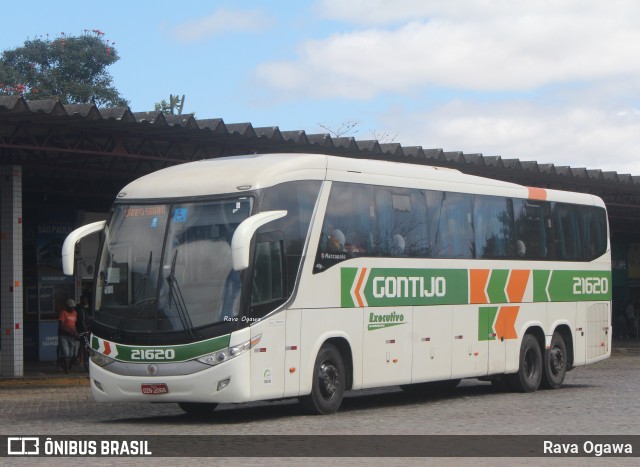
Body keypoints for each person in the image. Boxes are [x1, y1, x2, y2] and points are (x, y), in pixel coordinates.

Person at [58, 298, 79, 374]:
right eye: (71, 307)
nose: (72, 308)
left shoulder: (75, 313)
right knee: (66, 353)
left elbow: (74, 325)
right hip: (63, 336)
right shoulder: (63, 313)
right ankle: (67, 370)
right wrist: (70, 332)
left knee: (71, 354)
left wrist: (76, 332)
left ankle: (65, 365)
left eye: (73, 307)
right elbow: (61, 326)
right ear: (67, 307)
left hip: (72, 336)